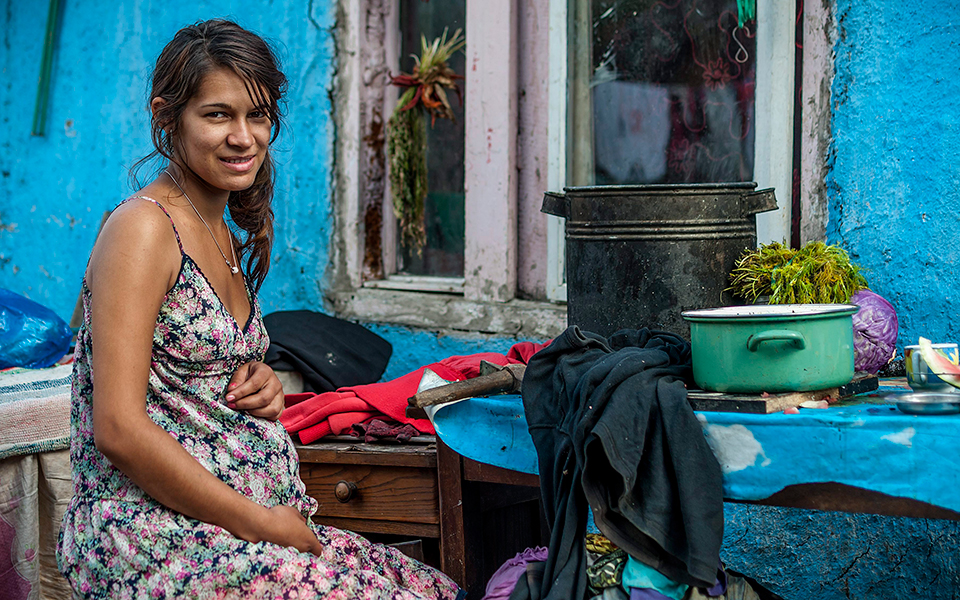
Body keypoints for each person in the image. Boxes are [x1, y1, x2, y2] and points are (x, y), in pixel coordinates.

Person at [57, 19, 463, 599]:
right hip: (155, 534)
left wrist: (262, 382)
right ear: (167, 117)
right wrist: (262, 523)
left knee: (434, 589)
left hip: (240, 525)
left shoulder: (219, 229)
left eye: (259, 115)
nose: (244, 137)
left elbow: (187, 371)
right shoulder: (143, 229)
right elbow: (119, 429)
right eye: (218, 114)